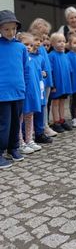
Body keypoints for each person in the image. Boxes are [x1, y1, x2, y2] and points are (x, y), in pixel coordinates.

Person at [0, 10, 29, 168]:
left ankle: (13, 148)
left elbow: (26, 69)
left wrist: (26, 87)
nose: (11, 32)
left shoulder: (21, 48)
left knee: (16, 124)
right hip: (2, 94)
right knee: (3, 124)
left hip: (18, 92)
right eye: (6, 29)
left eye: (13, 28)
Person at [28, 18, 56, 140]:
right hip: (39, 81)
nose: (45, 36)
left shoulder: (43, 48)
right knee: (38, 105)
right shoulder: (33, 47)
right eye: (42, 33)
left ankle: (43, 126)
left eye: (46, 34)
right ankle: (38, 128)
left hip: (46, 80)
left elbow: (46, 65)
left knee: (44, 104)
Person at [18, 33, 42, 154]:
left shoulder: (32, 59)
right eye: (25, 44)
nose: (28, 47)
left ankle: (29, 140)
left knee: (29, 116)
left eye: (30, 45)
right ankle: (20, 142)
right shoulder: (19, 60)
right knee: (19, 117)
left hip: (32, 93)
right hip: (22, 93)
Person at [48, 33, 73, 133]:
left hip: (65, 84)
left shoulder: (65, 56)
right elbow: (51, 71)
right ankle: (56, 122)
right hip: (57, 85)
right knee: (55, 103)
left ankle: (62, 120)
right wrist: (52, 84)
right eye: (59, 41)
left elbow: (69, 70)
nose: (62, 43)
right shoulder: (51, 56)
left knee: (63, 102)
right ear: (53, 43)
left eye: (63, 41)